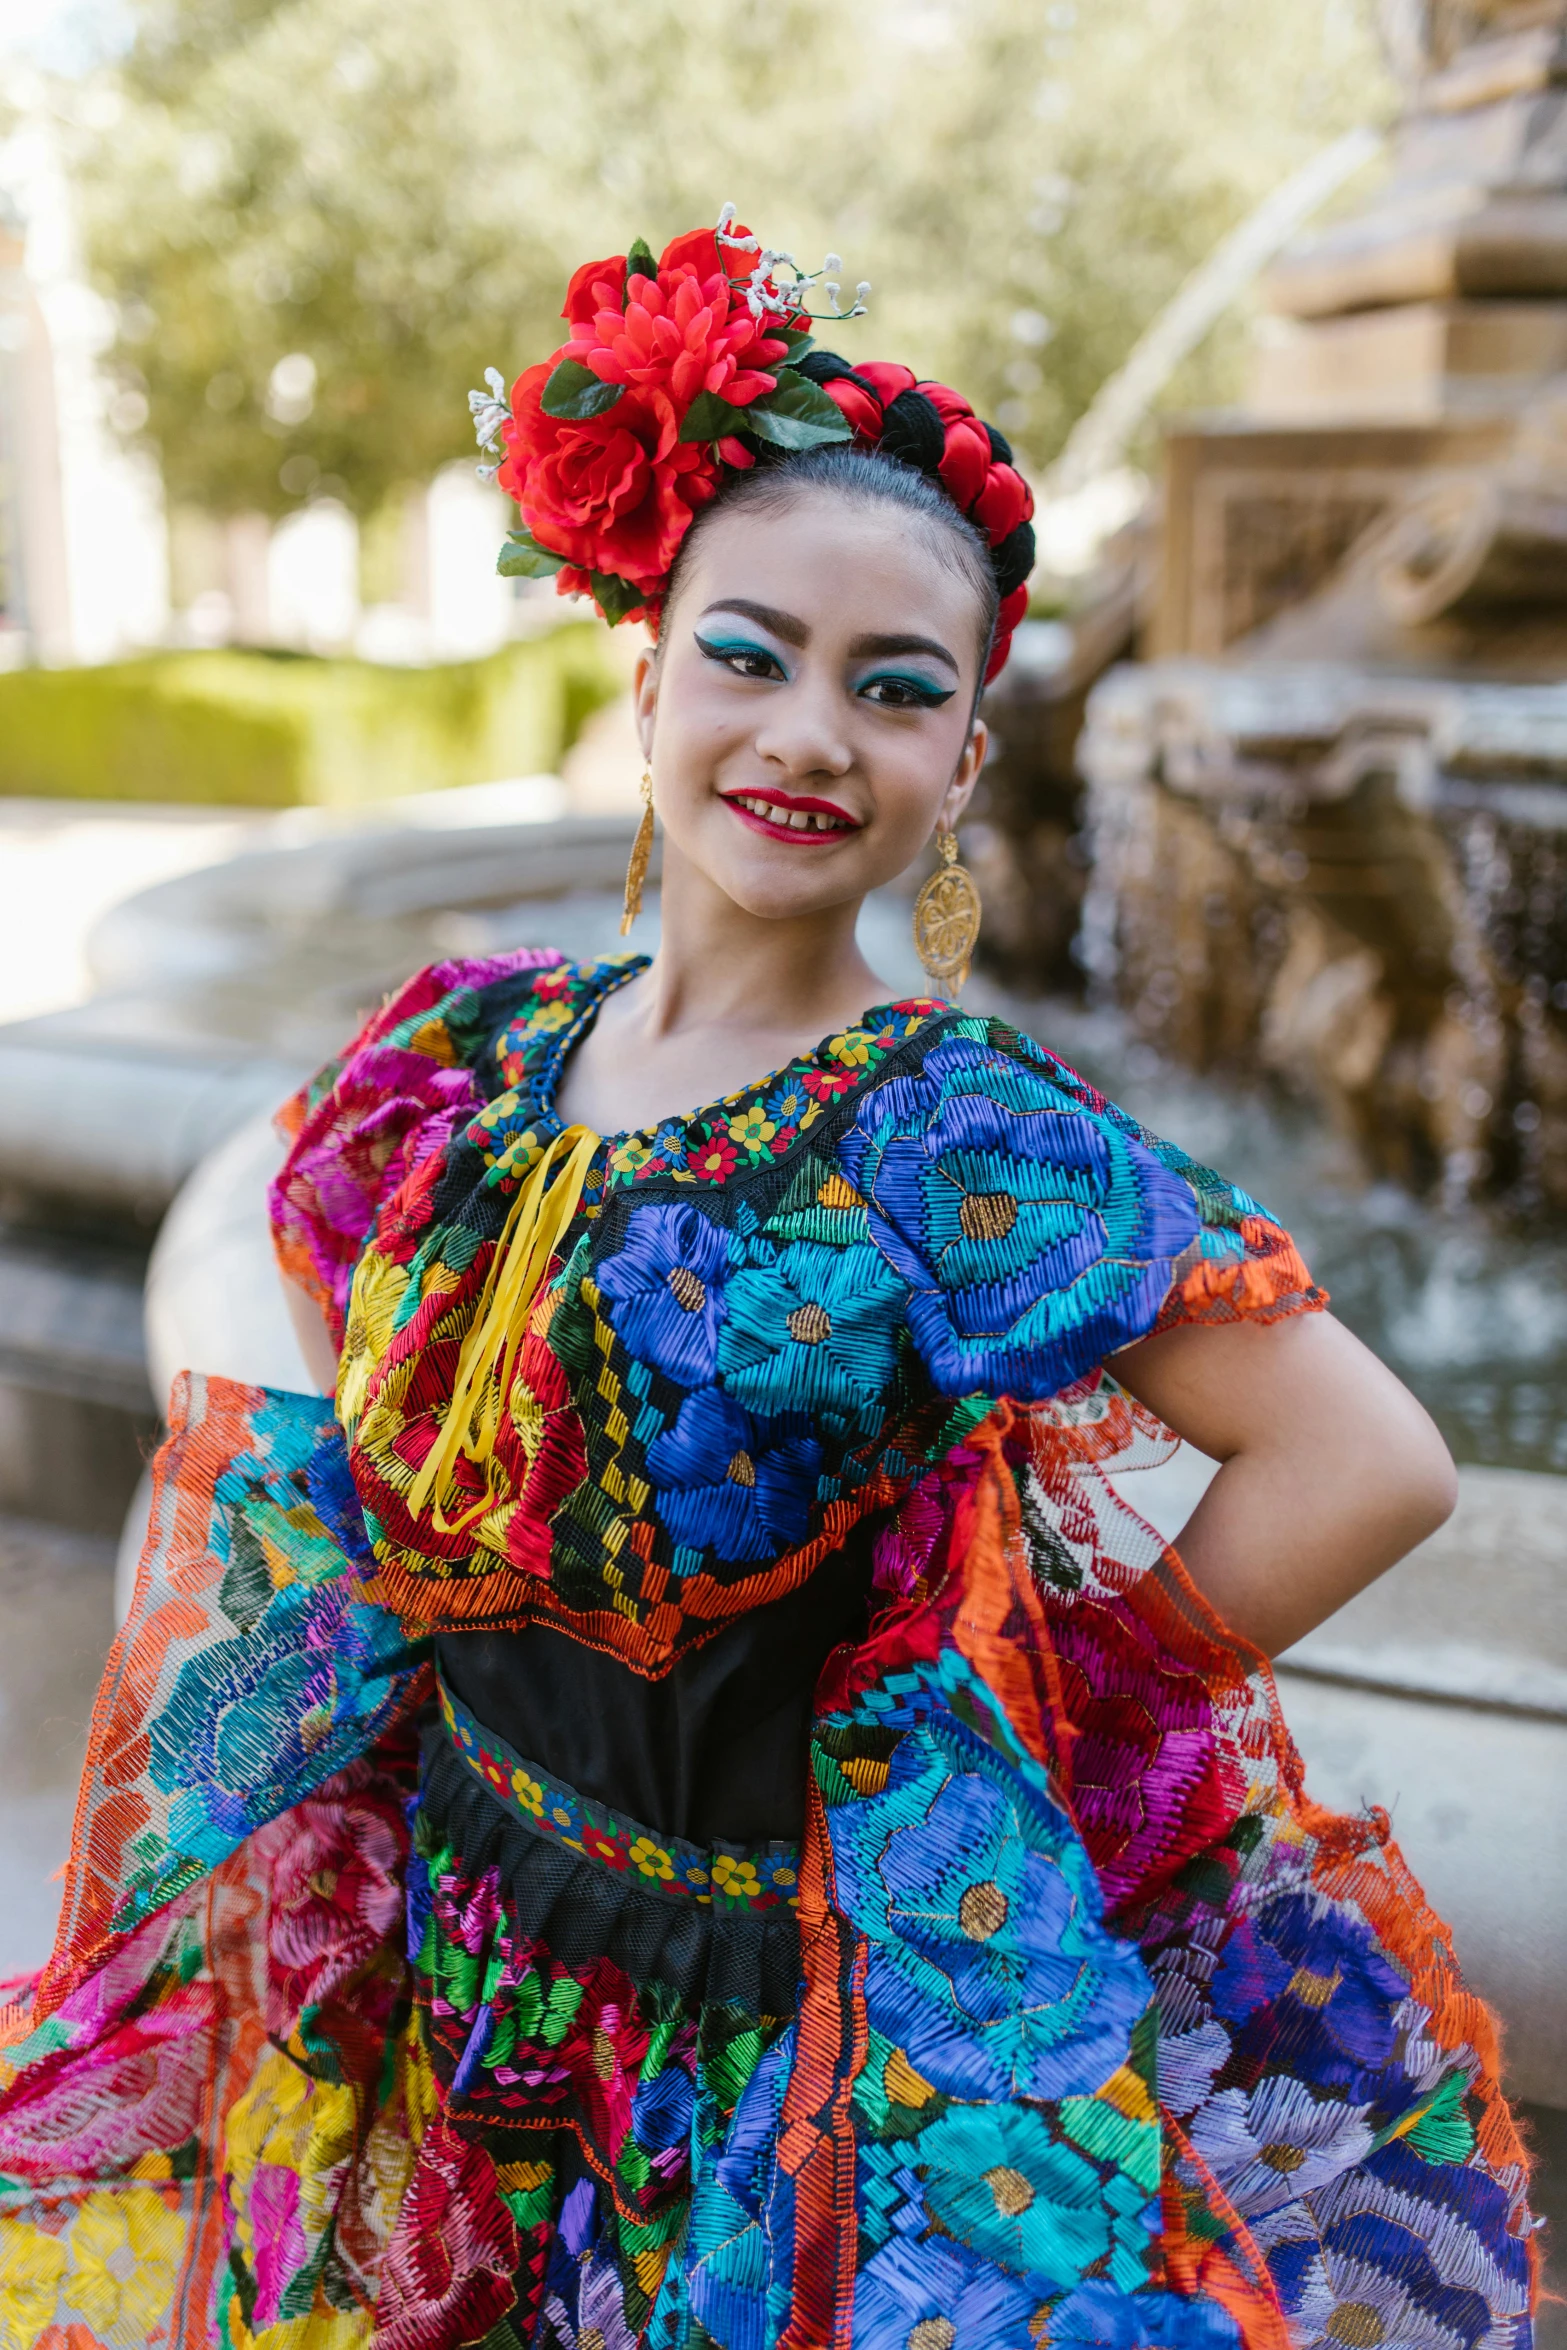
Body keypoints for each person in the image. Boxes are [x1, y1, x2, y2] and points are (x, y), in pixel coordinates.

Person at [0, 215, 1538, 2350]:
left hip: (760, 2014)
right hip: (458, 1908)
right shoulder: (464, 1052)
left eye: (895, 689)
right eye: (753, 652)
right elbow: (352, 1335)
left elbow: (1366, 1457)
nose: (810, 731)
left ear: (965, 764)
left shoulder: (935, 1118)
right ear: (649, 677)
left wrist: (1010, 1709)